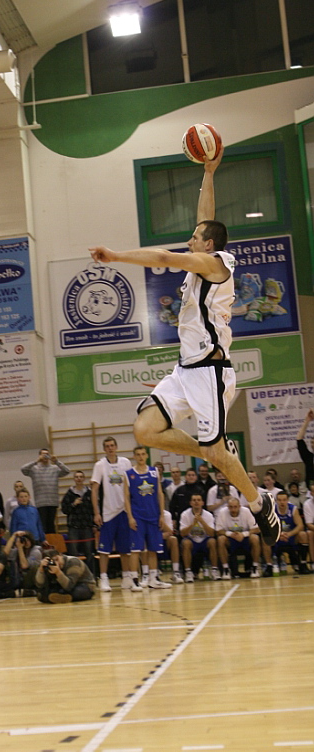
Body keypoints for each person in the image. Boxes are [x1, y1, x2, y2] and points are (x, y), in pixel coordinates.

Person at [89, 150, 280, 548]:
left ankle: (259, 502)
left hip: (210, 371)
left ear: (208, 244)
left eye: (195, 238)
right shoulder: (204, 257)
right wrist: (209, 172)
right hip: (185, 370)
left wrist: (115, 256)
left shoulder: (216, 263)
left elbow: (162, 256)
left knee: (217, 455)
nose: (189, 240)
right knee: (145, 430)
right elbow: (205, 216)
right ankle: (213, 450)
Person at [124, 445, 172, 590]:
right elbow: (126, 497)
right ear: (134, 456)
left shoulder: (154, 471)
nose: (140, 457)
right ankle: (134, 580)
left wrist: (161, 515)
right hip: (138, 517)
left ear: (147, 456)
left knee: (153, 549)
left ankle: (153, 579)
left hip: (153, 516)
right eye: (138, 454)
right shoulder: (128, 474)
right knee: (136, 549)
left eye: (143, 454)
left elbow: (160, 494)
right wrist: (130, 517)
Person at [91, 436, 133, 592]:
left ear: (116, 447)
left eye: (112, 445)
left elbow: (131, 486)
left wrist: (132, 511)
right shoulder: (100, 465)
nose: (110, 448)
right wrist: (96, 512)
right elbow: (94, 490)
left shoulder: (125, 462)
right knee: (104, 549)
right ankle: (104, 578)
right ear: (104, 449)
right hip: (108, 512)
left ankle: (127, 577)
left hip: (124, 510)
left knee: (125, 548)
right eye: (107, 446)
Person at [21, 449, 70, 533]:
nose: (45, 456)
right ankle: (43, 540)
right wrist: (36, 461)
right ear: (39, 456)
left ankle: (51, 541)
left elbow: (67, 471)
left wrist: (56, 461)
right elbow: (23, 469)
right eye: (43, 454)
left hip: (52, 502)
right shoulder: (34, 469)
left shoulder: (54, 468)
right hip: (41, 502)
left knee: (51, 525)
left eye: (47, 454)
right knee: (42, 525)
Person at [215, 497, 260, 579]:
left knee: (255, 538)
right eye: (231, 507)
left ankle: (255, 567)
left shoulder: (246, 511)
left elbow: (257, 529)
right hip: (230, 539)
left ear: (239, 506)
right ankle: (226, 569)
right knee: (220, 539)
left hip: (245, 538)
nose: (233, 509)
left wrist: (243, 534)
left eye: (235, 507)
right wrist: (230, 534)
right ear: (227, 507)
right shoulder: (222, 512)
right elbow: (218, 531)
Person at [61, 470, 96, 572]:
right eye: (76, 477)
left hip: (87, 527)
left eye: (81, 477)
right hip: (74, 528)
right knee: (73, 554)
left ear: (84, 479)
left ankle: (91, 575)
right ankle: (75, 574)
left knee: (89, 553)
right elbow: (64, 510)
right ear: (74, 479)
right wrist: (73, 504)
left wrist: (94, 525)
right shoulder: (69, 494)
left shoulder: (89, 493)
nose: (79, 479)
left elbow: (94, 510)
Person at [180, 493, 219, 582]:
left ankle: (214, 570)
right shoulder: (185, 514)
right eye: (194, 500)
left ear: (202, 503)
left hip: (204, 540)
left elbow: (212, 533)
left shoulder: (208, 515)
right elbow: (182, 533)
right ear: (190, 503)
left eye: (198, 500)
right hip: (191, 540)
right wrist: (193, 524)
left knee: (212, 541)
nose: (196, 502)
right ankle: (188, 571)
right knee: (185, 543)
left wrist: (202, 521)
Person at [272, 491, 309, 574]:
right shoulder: (272, 510)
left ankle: (303, 563)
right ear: (276, 501)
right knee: (265, 537)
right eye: (279, 500)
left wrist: (289, 534)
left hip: (291, 537)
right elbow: (268, 527)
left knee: (303, 534)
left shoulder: (293, 509)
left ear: (288, 500)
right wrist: (278, 534)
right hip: (277, 537)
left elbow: (300, 525)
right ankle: (269, 565)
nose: (282, 502)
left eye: (284, 500)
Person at [297, 410, 314, 487]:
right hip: (311, 490)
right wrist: (307, 420)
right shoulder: (309, 457)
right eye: (312, 442)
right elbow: (299, 439)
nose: (313, 445)